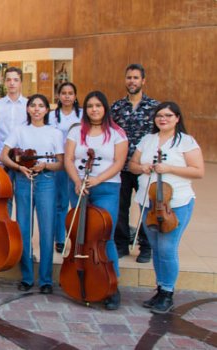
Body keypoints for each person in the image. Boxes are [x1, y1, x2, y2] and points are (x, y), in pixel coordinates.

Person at [128, 102, 204, 314]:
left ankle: (168, 293)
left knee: (168, 249)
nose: (163, 119)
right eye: (159, 115)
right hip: (149, 203)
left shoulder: (186, 142)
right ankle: (160, 289)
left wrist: (169, 167)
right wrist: (142, 167)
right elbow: (132, 165)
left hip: (176, 204)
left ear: (177, 118)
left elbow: (198, 171)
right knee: (157, 248)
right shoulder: (148, 140)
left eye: (168, 115)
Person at [64, 91, 128, 310]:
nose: (94, 109)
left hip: (107, 186)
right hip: (80, 187)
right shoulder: (76, 131)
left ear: (105, 108)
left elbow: (119, 162)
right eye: (90, 106)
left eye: (98, 106)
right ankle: (85, 275)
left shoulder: (117, 133)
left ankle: (112, 285)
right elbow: (69, 159)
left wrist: (97, 179)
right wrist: (76, 181)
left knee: (104, 237)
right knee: (82, 236)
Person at [0, 94, 64, 294]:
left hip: (46, 181)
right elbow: (3, 156)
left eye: (41, 106)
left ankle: (45, 279)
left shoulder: (54, 132)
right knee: (24, 229)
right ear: (28, 109)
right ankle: (27, 277)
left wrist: (45, 164)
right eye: (33, 106)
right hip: (24, 181)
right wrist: (19, 167)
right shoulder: (19, 130)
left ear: (47, 110)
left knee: (46, 230)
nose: (37, 109)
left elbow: (60, 163)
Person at [112, 64, 159, 263]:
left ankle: (146, 246)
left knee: (146, 207)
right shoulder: (116, 107)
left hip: (144, 168)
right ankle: (122, 244)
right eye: (129, 77)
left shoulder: (155, 107)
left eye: (136, 78)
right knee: (121, 207)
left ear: (143, 81)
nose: (132, 81)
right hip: (121, 166)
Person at [49, 82, 82, 252]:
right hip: (60, 162)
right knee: (60, 202)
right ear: (58, 96)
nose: (67, 96)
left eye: (70, 93)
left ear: (75, 96)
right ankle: (59, 239)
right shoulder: (51, 116)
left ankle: (77, 237)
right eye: (64, 93)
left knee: (77, 202)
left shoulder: (82, 114)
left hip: (78, 162)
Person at [0, 67, 28, 165]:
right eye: (8, 80)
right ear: (5, 83)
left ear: (21, 82)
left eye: (16, 80)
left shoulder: (28, 105)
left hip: (23, 155)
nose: (12, 83)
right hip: (2, 156)